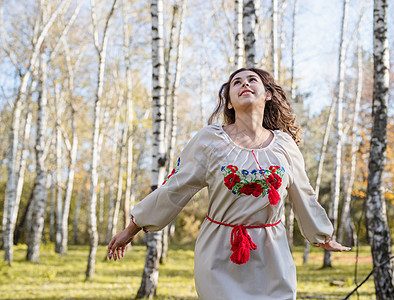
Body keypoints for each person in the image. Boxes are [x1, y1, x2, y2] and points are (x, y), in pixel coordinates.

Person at [108, 68, 351, 299]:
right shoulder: (210, 140)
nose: (245, 83)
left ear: (267, 95)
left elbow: (303, 193)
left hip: (272, 255)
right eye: (237, 82)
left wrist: (323, 235)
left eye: (252, 79)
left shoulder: (284, 145)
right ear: (229, 103)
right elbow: (175, 187)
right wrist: (132, 228)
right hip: (220, 254)